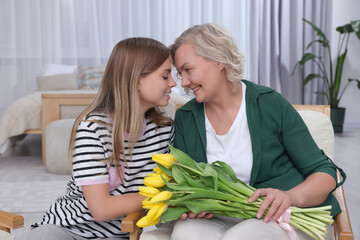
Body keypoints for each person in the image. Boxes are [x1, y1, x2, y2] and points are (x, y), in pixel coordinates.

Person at [140, 23, 345, 240]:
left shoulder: (269, 104)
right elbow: (184, 180)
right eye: (180, 73)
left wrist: (288, 197)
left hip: (273, 216)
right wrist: (191, 204)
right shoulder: (187, 117)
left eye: (188, 70)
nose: (184, 83)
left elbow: (324, 172)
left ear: (218, 60)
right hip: (219, 217)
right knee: (186, 234)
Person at [23, 37, 176, 240]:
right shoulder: (93, 129)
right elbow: (101, 209)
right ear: (137, 80)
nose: (173, 83)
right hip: (66, 229)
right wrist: (164, 196)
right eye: (165, 76)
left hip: (116, 235)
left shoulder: (164, 131)